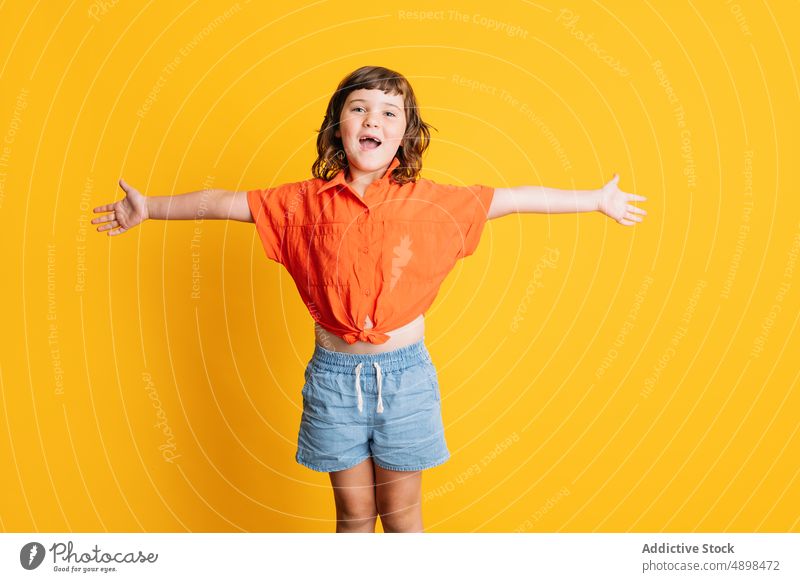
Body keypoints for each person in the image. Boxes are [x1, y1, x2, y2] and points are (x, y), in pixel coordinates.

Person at [92, 65, 647, 533]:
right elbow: (221, 203)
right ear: (339, 125)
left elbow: (516, 198)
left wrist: (597, 199)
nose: (373, 121)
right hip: (334, 379)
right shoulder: (298, 204)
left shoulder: (434, 203)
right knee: (354, 514)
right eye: (360, 109)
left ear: (405, 134)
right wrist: (151, 208)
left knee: (402, 517)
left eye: (389, 113)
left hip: (403, 379)